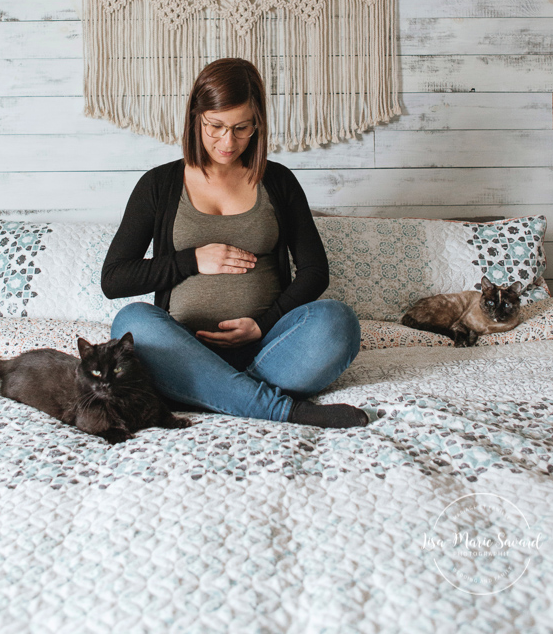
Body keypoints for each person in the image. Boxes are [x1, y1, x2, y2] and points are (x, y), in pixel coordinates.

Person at [103, 58, 368, 429]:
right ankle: (279, 408)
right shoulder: (159, 185)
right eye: (215, 126)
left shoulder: (278, 181)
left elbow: (314, 271)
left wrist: (264, 324)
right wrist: (192, 260)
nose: (228, 142)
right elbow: (114, 279)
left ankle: (213, 393)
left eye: (241, 128)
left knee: (338, 322)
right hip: (183, 351)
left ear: (257, 123)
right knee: (132, 321)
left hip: (270, 352)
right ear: (196, 117)